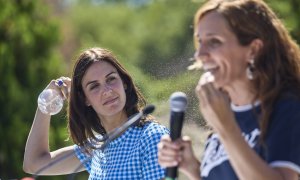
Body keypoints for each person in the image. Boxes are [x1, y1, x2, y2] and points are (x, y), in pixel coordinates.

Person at [158, 0, 300, 179]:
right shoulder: (225, 117)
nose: (200, 54)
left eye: (214, 42)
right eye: (200, 42)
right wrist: (193, 169)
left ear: (253, 50)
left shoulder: (288, 108)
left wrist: (226, 128)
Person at [23, 47, 169, 179]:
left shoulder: (152, 137)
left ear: (124, 82)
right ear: (85, 99)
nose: (107, 91)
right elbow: (34, 164)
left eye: (111, 79)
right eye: (94, 86)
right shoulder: (95, 148)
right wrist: (46, 100)